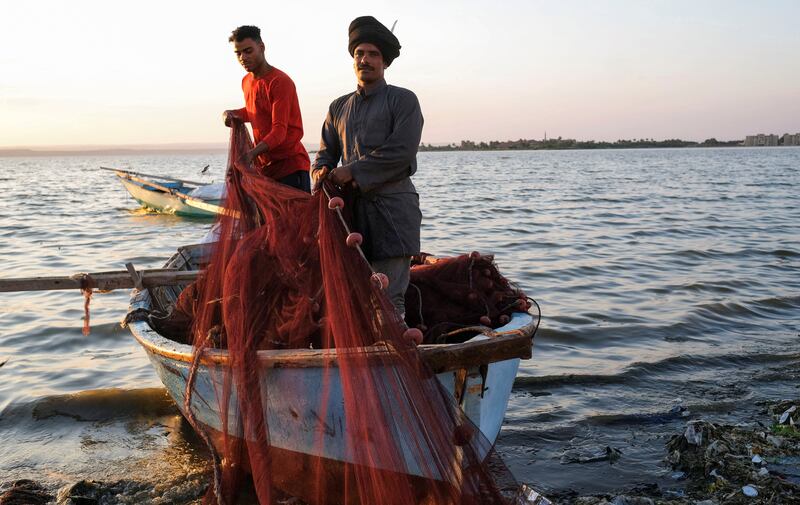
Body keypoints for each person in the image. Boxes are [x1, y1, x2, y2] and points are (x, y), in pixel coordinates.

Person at [312, 16, 424, 321]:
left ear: (384, 63)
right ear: (353, 60)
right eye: (360, 54)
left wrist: (353, 171)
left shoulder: (403, 101)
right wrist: (320, 173)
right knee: (354, 300)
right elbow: (324, 155)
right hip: (349, 216)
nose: (365, 60)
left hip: (393, 212)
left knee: (387, 298)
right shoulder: (338, 107)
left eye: (373, 54)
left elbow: (401, 152)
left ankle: (396, 362)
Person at [223, 25, 310, 192]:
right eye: (238, 53)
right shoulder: (246, 82)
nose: (243, 57)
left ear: (261, 47)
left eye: (248, 51)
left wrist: (251, 154)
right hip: (266, 169)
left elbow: (279, 131)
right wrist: (230, 114)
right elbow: (254, 111)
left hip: (290, 167)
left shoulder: (279, 82)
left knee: (294, 219)